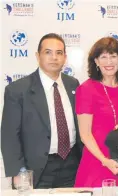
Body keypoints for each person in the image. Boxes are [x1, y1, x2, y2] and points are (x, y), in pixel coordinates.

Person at [1, 33, 82, 188]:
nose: (54, 57)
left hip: (72, 165)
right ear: (38, 56)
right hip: (37, 169)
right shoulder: (18, 90)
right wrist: (18, 173)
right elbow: (9, 136)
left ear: (65, 57)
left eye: (59, 53)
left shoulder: (73, 84)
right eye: (48, 52)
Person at [74, 37, 118, 187]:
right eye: (103, 57)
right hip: (98, 161)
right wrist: (105, 161)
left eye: (113, 56)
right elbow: (85, 134)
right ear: (96, 61)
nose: (108, 62)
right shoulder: (86, 89)